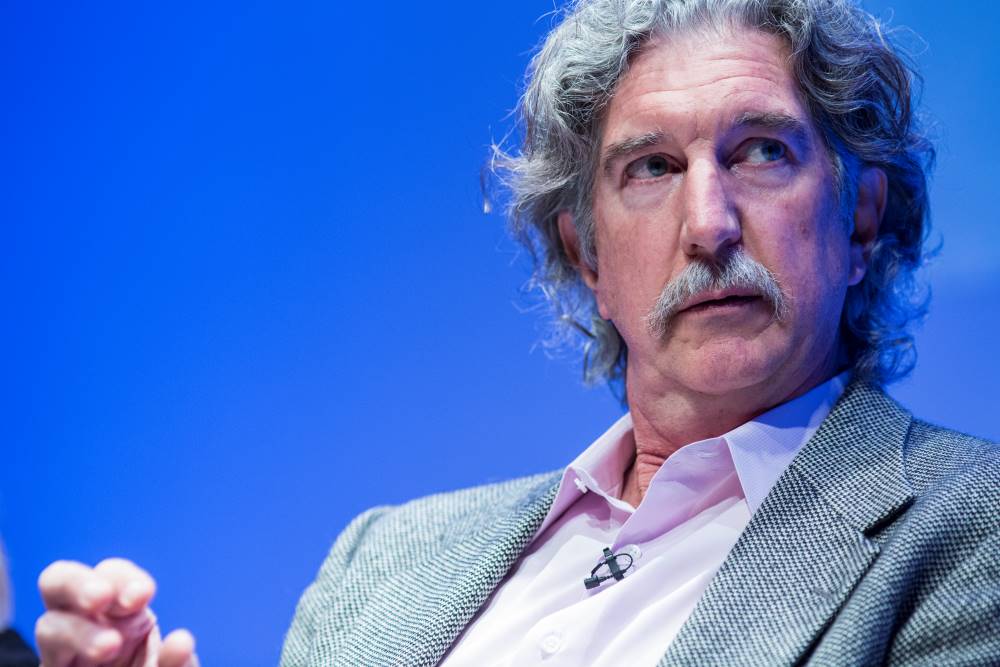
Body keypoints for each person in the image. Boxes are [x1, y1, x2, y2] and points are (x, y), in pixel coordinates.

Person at [34, 0, 1000, 665]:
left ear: (862, 218)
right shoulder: (388, 557)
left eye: (760, 152)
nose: (709, 223)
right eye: (652, 168)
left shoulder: (967, 529)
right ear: (586, 254)